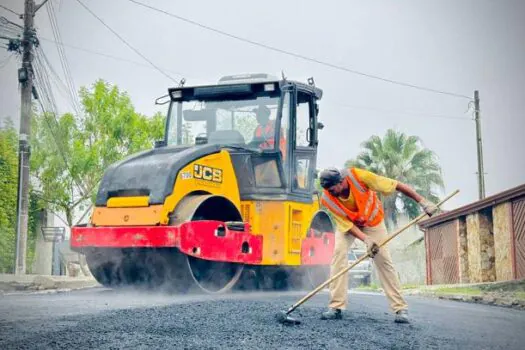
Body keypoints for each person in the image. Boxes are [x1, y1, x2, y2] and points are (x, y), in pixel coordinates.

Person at [318, 167, 438, 323]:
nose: (330, 192)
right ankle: (336, 307)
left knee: (384, 260)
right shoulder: (327, 199)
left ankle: (400, 308)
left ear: (341, 181)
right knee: (338, 255)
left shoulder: (359, 177)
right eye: (327, 189)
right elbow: (346, 225)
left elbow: (395, 185)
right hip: (350, 226)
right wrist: (366, 240)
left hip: (373, 222)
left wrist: (422, 201)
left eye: (332, 188)